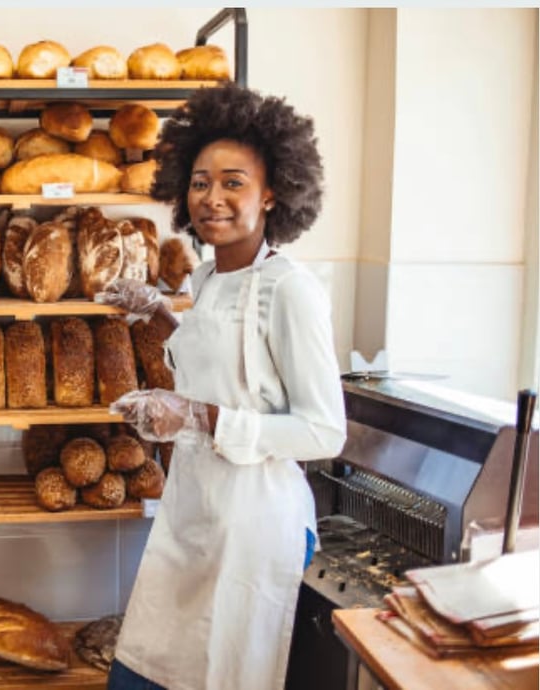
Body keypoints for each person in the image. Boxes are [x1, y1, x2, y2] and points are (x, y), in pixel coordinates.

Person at [96, 83, 347, 689]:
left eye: (234, 182)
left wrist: (196, 417)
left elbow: (323, 430)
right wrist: (159, 311)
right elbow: (233, 369)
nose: (213, 198)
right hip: (195, 510)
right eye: (201, 182)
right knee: (144, 671)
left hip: (253, 526)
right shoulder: (209, 276)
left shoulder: (291, 291)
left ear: (273, 193)